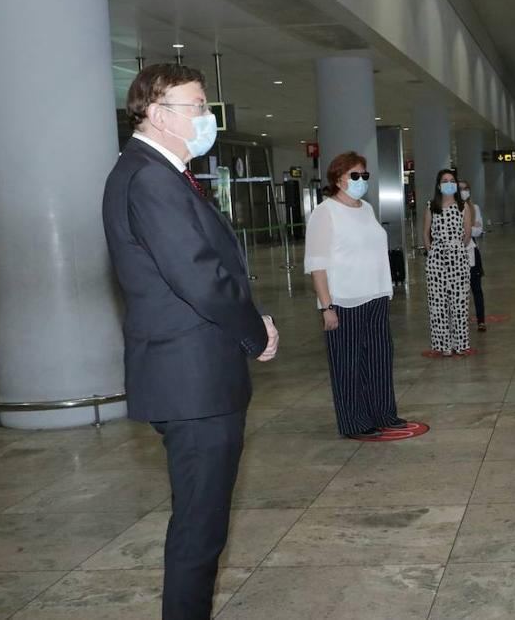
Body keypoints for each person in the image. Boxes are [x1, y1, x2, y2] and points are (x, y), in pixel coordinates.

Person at [102, 63, 279, 620]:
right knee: (199, 532)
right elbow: (198, 275)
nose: (207, 117)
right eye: (198, 106)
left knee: (200, 523)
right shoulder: (150, 177)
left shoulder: (158, 171)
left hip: (194, 375)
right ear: (158, 114)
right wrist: (256, 332)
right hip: (193, 382)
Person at [304, 151, 408, 440]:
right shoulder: (324, 213)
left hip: (375, 295)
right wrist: (327, 307)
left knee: (379, 359)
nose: (361, 180)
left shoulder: (367, 209)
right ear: (338, 179)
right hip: (344, 300)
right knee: (348, 364)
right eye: (355, 175)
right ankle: (355, 421)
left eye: (365, 175)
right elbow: (317, 265)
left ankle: (384, 413)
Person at [424, 168, 474, 356]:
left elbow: (467, 234)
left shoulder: (463, 207)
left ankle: (461, 343)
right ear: (438, 185)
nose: (449, 183)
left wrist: (457, 249)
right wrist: (432, 252)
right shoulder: (431, 206)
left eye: (452, 180)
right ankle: (442, 345)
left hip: (459, 258)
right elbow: (425, 232)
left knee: (459, 302)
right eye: (445, 181)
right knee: (437, 303)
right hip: (436, 260)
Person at [458, 179, 487, 332]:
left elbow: (478, 231)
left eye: (466, 188)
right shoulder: (452, 208)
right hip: (456, 253)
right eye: (460, 188)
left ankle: (481, 320)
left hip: (472, 252)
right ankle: (459, 321)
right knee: (459, 291)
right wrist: (470, 227)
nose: (463, 191)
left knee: (476, 288)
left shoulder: (474, 208)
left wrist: (466, 228)